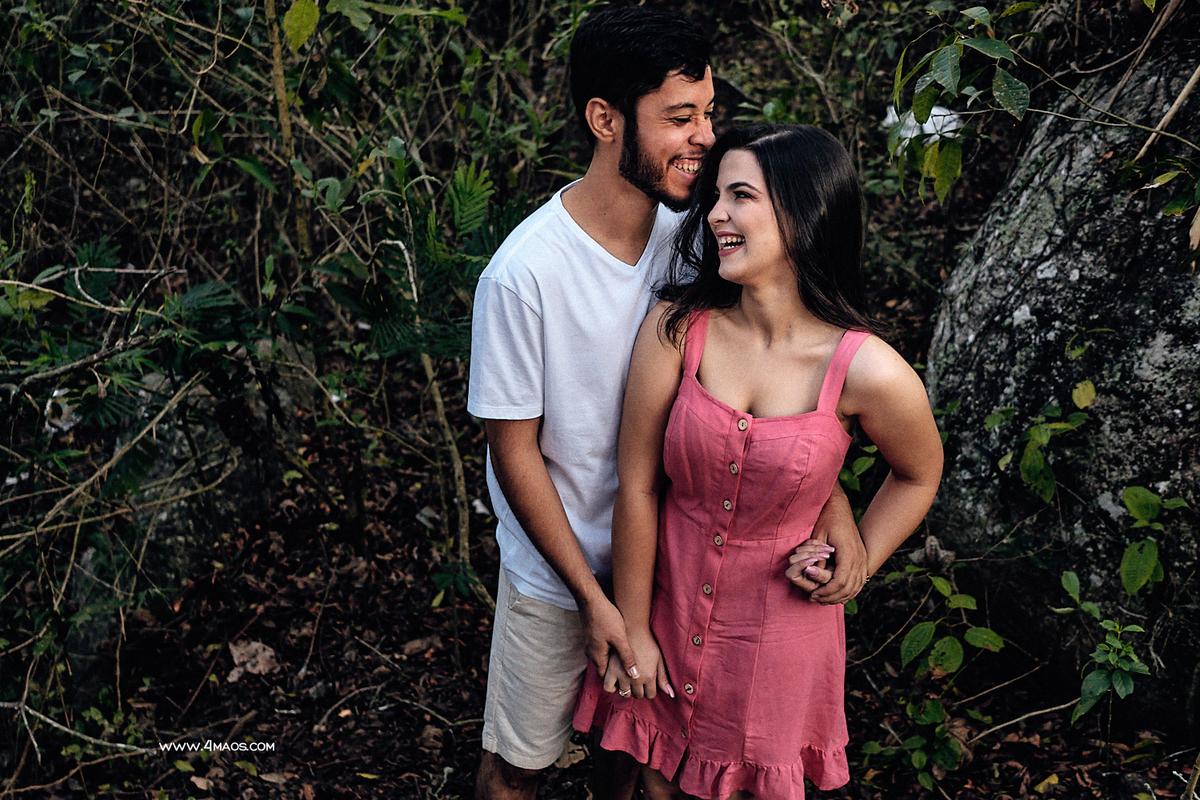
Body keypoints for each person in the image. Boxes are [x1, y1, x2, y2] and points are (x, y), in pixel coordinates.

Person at [466, 8, 864, 797]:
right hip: (562, 571)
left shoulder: (696, 238)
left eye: (709, 114)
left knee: (633, 761)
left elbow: (771, 387)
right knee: (519, 768)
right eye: (679, 118)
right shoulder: (524, 275)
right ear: (605, 120)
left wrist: (835, 507)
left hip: (678, 569)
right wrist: (591, 599)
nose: (704, 138)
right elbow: (513, 451)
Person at [588, 124, 944, 800]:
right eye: (717, 195)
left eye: (740, 196)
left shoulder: (869, 370)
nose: (716, 213)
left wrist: (862, 553)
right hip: (665, 605)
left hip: (777, 642)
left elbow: (920, 471)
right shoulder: (679, 326)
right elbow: (637, 484)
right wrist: (633, 627)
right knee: (653, 786)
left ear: (803, 213)